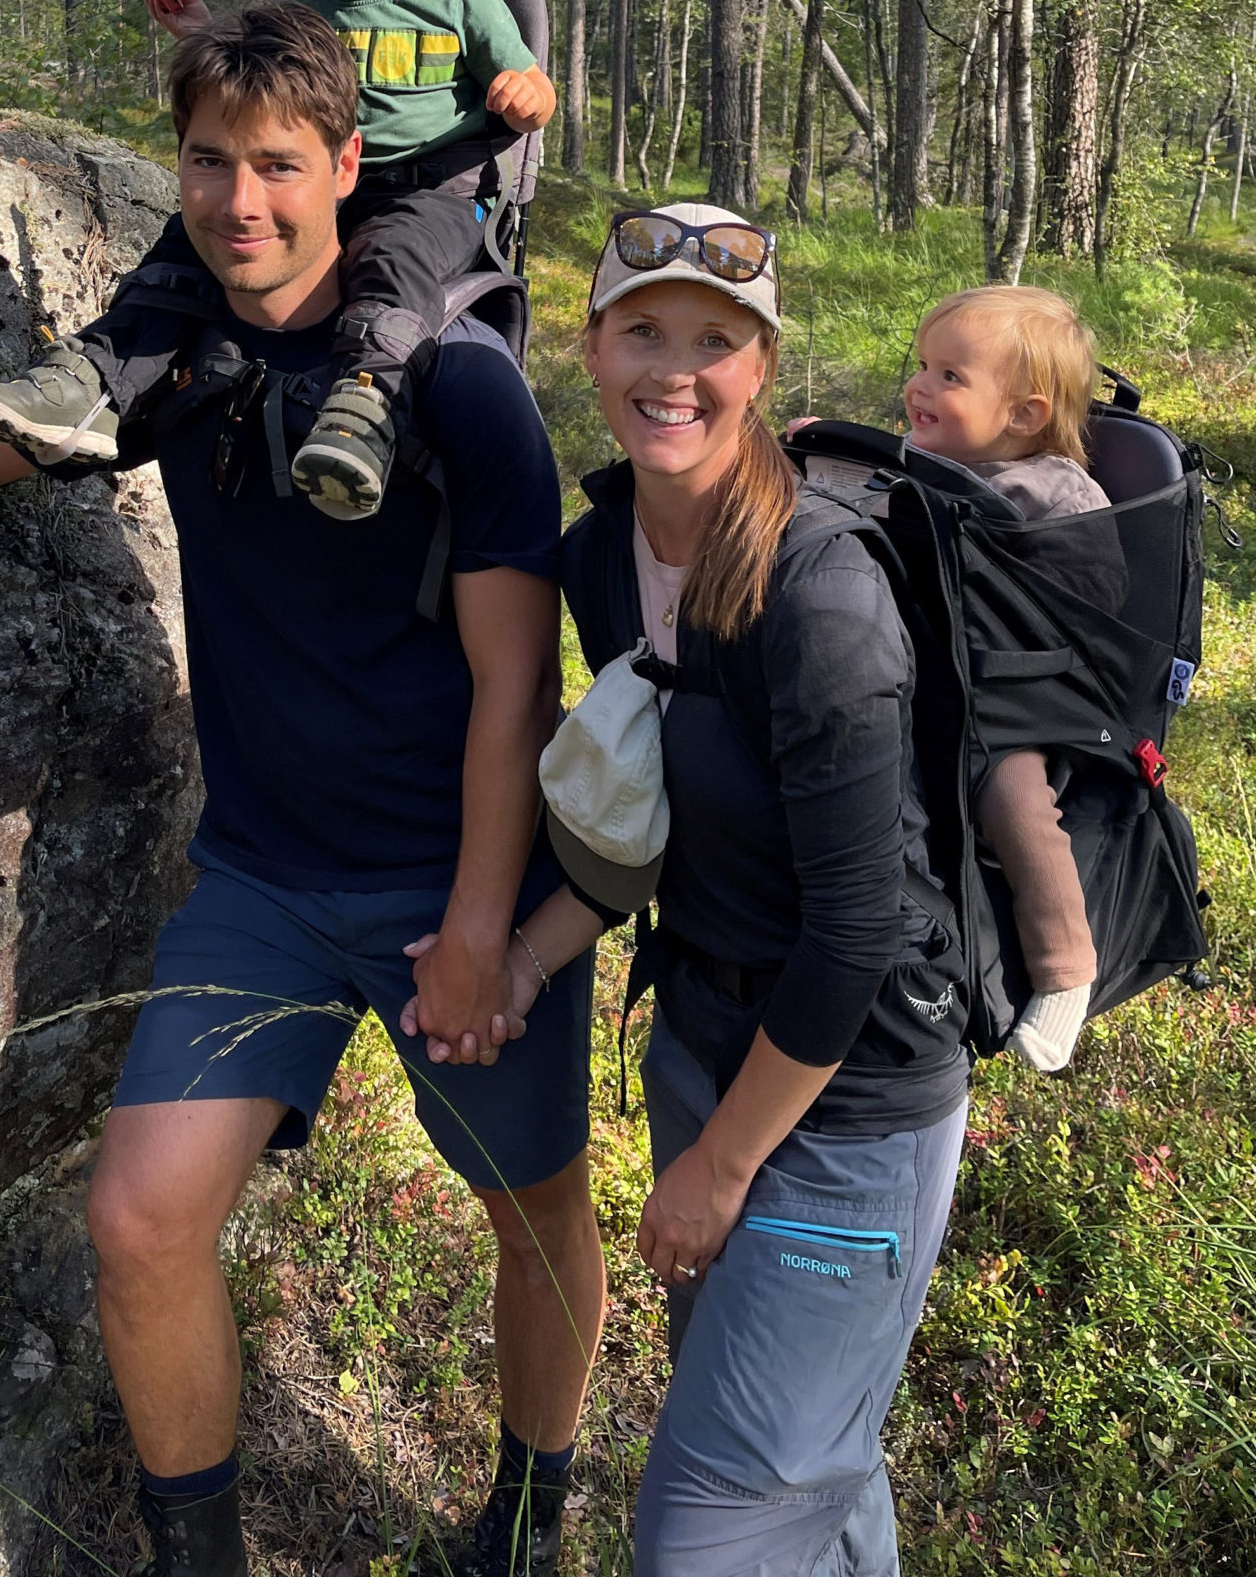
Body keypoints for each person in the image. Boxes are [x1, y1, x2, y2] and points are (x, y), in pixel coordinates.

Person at [0, 0, 603, 1577]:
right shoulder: (176, 350)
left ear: (350, 164)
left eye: (278, 165)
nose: (240, 201)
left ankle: (531, 1516)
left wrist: (481, 922)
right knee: (139, 1220)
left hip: (461, 880)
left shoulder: (458, 389)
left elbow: (515, 686)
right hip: (264, 883)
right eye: (208, 163)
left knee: (531, 1216)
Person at [417, 202, 970, 1577]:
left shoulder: (821, 592)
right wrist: (529, 961)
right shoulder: (603, 557)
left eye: (714, 340)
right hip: (703, 1050)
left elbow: (856, 935)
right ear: (592, 352)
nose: (676, 369)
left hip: (849, 1104)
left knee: (707, 1528)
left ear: (762, 367)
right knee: (805, 1475)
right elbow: (646, 822)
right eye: (643, 331)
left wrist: (720, 1172)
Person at [0, 0, 556, 524]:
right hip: (321, 181)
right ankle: (96, 381)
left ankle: (367, 407)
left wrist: (527, 94)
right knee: (186, 243)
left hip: (433, 185)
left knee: (393, 263)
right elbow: (269, 87)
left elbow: (531, 90)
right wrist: (206, 32)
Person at [897, 283, 1113, 1072]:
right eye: (923, 366)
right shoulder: (929, 458)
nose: (920, 388)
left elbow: (1090, 599)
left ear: (1023, 415)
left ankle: (1066, 969)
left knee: (1012, 796)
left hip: (1022, 701)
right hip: (936, 676)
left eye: (950, 378)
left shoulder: (1055, 494)